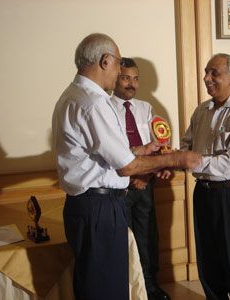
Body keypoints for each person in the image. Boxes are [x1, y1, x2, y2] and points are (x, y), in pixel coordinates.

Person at [52, 33, 201, 300]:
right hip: (99, 208)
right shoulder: (94, 102)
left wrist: (140, 151)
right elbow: (126, 167)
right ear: (105, 61)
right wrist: (177, 159)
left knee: (94, 282)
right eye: (119, 64)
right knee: (107, 288)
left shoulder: (71, 94)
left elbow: (103, 154)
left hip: (84, 206)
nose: (121, 71)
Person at [181, 53, 230, 300]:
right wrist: (173, 159)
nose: (207, 78)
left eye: (214, 73)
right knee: (207, 261)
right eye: (206, 72)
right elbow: (187, 144)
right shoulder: (201, 110)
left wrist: (194, 160)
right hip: (203, 193)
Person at [111, 58, 170, 300]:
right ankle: (128, 291)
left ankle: (150, 288)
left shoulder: (146, 108)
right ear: (115, 78)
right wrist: (132, 175)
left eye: (135, 79)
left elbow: (157, 146)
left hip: (145, 185)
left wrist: (145, 176)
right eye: (126, 78)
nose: (131, 84)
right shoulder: (104, 108)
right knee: (122, 242)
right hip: (118, 187)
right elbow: (112, 149)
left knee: (147, 239)